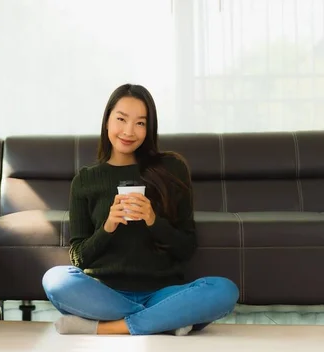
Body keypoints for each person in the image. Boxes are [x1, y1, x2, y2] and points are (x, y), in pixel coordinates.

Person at [42, 84, 239, 336]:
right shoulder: (85, 180)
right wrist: (107, 227)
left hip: (161, 292)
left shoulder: (171, 169)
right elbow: (79, 258)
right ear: (107, 121)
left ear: (149, 128)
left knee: (224, 290)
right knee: (55, 280)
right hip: (106, 292)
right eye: (121, 119)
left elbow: (186, 247)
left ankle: (108, 327)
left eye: (140, 123)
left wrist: (153, 220)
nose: (128, 131)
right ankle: (166, 320)